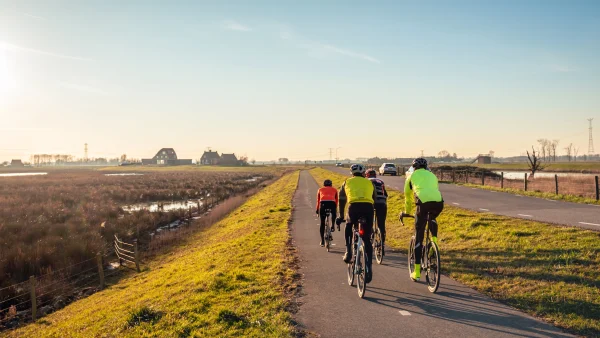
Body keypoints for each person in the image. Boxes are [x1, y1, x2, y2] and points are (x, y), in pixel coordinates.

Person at [403, 158, 444, 281]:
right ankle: (435, 241)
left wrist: (407, 212)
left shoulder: (411, 176)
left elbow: (408, 197)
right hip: (438, 202)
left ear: (414, 167)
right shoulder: (432, 175)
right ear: (426, 167)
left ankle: (416, 272)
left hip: (422, 203)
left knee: (419, 236)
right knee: (432, 217)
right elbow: (434, 189)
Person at [338, 164, 376, 283]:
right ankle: (368, 266)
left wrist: (341, 216)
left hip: (354, 207)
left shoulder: (347, 182)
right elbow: (374, 198)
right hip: (368, 208)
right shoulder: (370, 183)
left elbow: (342, 199)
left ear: (351, 173)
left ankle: (349, 251)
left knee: (349, 226)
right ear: (364, 173)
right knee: (367, 239)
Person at [365, 169, 388, 256]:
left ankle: (370, 235)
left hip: (371, 202)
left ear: (366, 175)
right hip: (382, 203)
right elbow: (385, 194)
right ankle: (382, 245)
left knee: (368, 222)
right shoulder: (381, 181)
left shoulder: (366, 181)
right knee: (381, 225)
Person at [316, 179, 338, 247]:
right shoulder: (334, 189)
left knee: (322, 223)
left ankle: (322, 241)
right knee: (333, 214)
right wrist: (335, 209)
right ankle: (333, 225)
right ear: (331, 185)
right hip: (332, 204)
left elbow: (318, 200)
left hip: (323, 204)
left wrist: (317, 209)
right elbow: (336, 200)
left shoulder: (320, 189)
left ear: (324, 185)